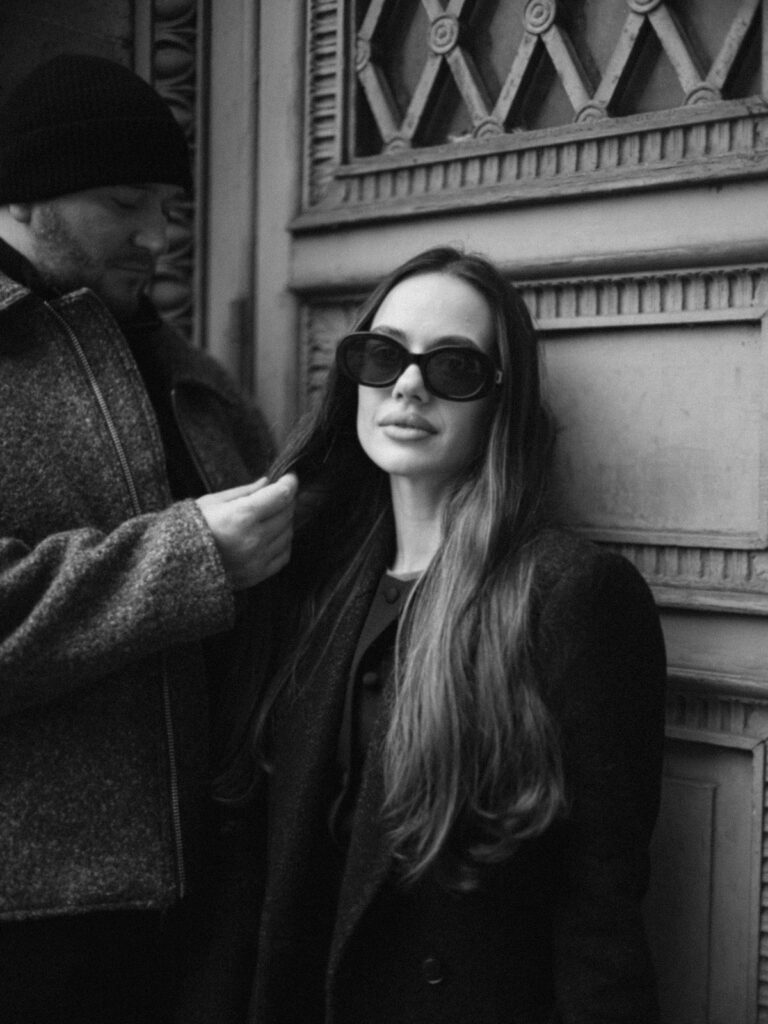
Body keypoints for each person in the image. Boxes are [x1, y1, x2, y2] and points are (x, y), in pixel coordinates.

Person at [211, 246, 667, 1023]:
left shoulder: (570, 598)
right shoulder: (305, 588)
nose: (409, 384)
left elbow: (598, 916)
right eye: (381, 356)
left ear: (500, 401)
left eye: (453, 366)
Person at [0, 53, 296, 1023]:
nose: (160, 237)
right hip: (33, 925)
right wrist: (189, 557)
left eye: (171, 205)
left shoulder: (190, 375)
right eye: (126, 201)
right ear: (23, 198)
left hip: (206, 899)